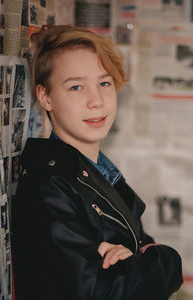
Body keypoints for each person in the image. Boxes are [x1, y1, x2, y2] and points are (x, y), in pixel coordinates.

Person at [11, 25, 183, 300]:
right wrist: (168, 260)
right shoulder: (50, 188)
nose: (96, 100)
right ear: (46, 97)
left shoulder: (97, 171)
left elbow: (140, 246)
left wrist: (137, 259)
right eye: (76, 87)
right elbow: (99, 293)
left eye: (104, 83)